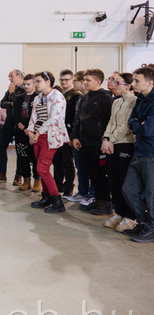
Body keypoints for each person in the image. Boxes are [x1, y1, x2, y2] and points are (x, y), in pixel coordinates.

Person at [71, 69, 114, 215]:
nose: (84, 82)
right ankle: (98, 199)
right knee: (90, 173)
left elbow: (110, 121)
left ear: (98, 82)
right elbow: (78, 119)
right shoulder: (84, 98)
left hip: (98, 143)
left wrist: (106, 139)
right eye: (84, 80)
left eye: (88, 80)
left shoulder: (105, 98)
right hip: (85, 142)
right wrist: (75, 136)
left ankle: (106, 202)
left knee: (100, 173)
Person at [26, 71, 69, 213]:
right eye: (35, 81)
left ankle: (57, 201)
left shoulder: (57, 96)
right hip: (37, 136)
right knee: (40, 167)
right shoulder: (38, 97)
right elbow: (33, 117)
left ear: (48, 82)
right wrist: (30, 132)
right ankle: (46, 196)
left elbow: (54, 118)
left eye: (38, 81)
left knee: (42, 169)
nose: (36, 84)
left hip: (50, 136)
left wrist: (38, 132)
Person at [101, 73, 137, 233]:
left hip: (125, 143)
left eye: (118, 82)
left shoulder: (134, 101)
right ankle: (119, 212)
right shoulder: (116, 101)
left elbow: (127, 125)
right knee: (114, 180)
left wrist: (112, 139)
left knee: (124, 181)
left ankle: (130, 215)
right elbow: (111, 122)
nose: (114, 84)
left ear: (128, 85)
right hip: (112, 143)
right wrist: (105, 138)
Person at [123, 66, 154, 242]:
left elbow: (148, 129)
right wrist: (137, 124)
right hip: (139, 150)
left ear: (150, 83)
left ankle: (153, 227)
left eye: (137, 81)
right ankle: (143, 223)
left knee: (151, 193)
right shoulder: (140, 98)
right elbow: (131, 120)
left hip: (151, 153)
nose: (133, 83)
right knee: (128, 189)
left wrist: (138, 124)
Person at [0, 70, 24, 182]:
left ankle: (18, 175)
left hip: (19, 123)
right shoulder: (11, 89)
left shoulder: (25, 89)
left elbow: (20, 105)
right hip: (9, 122)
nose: (9, 78)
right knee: (1, 147)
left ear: (19, 76)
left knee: (19, 150)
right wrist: (13, 102)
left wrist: (12, 95)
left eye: (11, 76)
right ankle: (2, 173)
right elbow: (2, 103)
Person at [65, 71, 92, 202]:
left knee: (90, 168)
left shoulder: (93, 98)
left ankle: (92, 194)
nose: (73, 83)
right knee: (80, 167)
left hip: (89, 139)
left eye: (74, 80)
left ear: (82, 82)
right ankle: (82, 191)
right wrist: (74, 136)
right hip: (78, 137)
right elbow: (76, 119)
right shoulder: (80, 98)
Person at [52, 69, 78, 197]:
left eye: (66, 80)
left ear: (72, 80)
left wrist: (73, 135)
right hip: (57, 131)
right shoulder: (57, 94)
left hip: (68, 132)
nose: (64, 82)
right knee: (57, 160)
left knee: (67, 161)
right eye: (61, 80)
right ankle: (58, 184)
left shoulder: (76, 96)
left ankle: (69, 187)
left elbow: (75, 117)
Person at [13, 74, 40, 191]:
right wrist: (23, 128)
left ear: (34, 84)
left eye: (28, 84)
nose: (26, 86)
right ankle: (26, 180)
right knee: (22, 157)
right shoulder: (18, 98)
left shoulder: (39, 98)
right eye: (24, 84)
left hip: (35, 133)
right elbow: (15, 115)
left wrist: (33, 131)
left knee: (35, 157)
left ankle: (37, 181)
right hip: (21, 131)